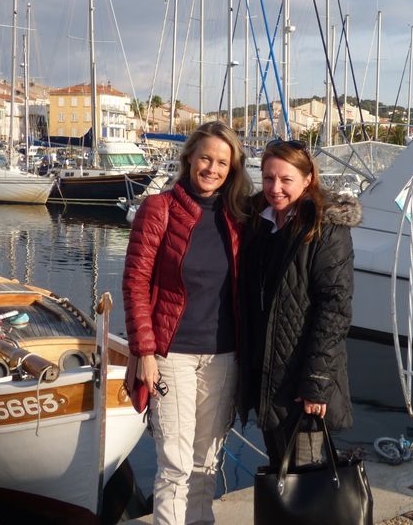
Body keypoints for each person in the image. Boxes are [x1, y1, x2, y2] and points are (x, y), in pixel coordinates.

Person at [122, 121, 251, 525]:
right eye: (206, 158)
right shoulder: (159, 209)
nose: (212, 168)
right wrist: (144, 352)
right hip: (171, 355)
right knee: (175, 463)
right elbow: (135, 282)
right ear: (189, 158)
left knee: (205, 462)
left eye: (222, 162)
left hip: (223, 357)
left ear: (232, 169)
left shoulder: (238, 216)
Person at [237, 139, 361, 467]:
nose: (275, 188)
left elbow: (334, 308)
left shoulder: (325, 228)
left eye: (285, 180)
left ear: (307, 180)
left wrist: (317, 382)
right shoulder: (257, 222)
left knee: (307, 482)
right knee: (281, 477)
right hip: (268, 376)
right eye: (267, 178)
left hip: (302, 381)